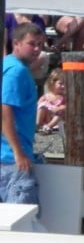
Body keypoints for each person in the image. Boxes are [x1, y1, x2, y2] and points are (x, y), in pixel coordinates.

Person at [1, 24, 46, 206]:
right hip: (13, 162)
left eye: (41, 44)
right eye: (32, 44)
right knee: (23, 224)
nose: (37, 49)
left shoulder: (6, 65)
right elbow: (5, 111)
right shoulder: (17, 72)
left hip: (7, 158)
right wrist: (19, 153)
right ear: (16, 43)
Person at [36, 68, 65, 135]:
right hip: (47, 117)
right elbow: (38, 105)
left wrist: (60, 108)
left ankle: (48, 127)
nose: (63, 86)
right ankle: (38, 124)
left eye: (65, 84)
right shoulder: (46, 96)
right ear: (52, 83)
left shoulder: (64, 97)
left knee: (60, 113)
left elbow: (68, 106)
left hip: (57, 120)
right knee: (42, 105)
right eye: (60, 84)